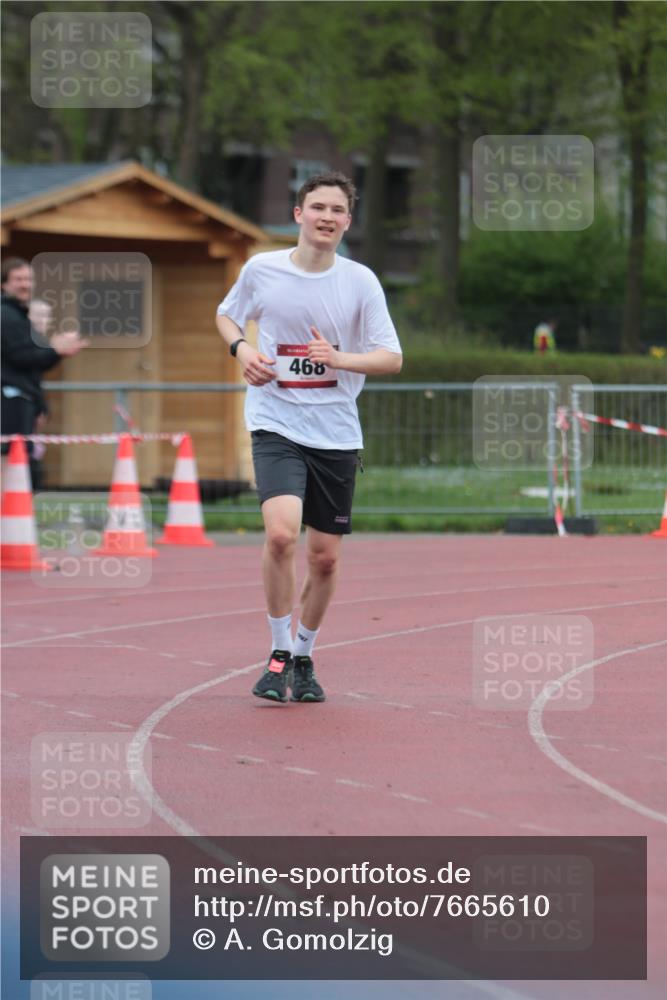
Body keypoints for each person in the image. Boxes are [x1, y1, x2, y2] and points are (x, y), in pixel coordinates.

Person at [216, 171, 402, 703]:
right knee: (280, 535)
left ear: (348, 221)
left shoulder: (360, 281)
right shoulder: (262, 270)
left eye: (337, 210)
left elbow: (392, 357)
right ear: (298, 214)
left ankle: (303, 655)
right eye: (317, 206)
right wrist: (244, 353)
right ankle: (276, 653)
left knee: (324, 558)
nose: (326, 217)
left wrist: (339, 358)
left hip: (336, 432)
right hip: (276, 421)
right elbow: (228, 317)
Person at [1, 258, 88, 462]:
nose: (25, 284)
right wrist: (55, 349)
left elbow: (34, 364)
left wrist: (56, 351)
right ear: (4, 284)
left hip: (23, 398)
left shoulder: (19, 315)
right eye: (18, 279)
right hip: (10, 399)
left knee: (17, 459)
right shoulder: (6, 315)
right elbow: (21, 358)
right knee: (8, 458)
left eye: (28, 279)